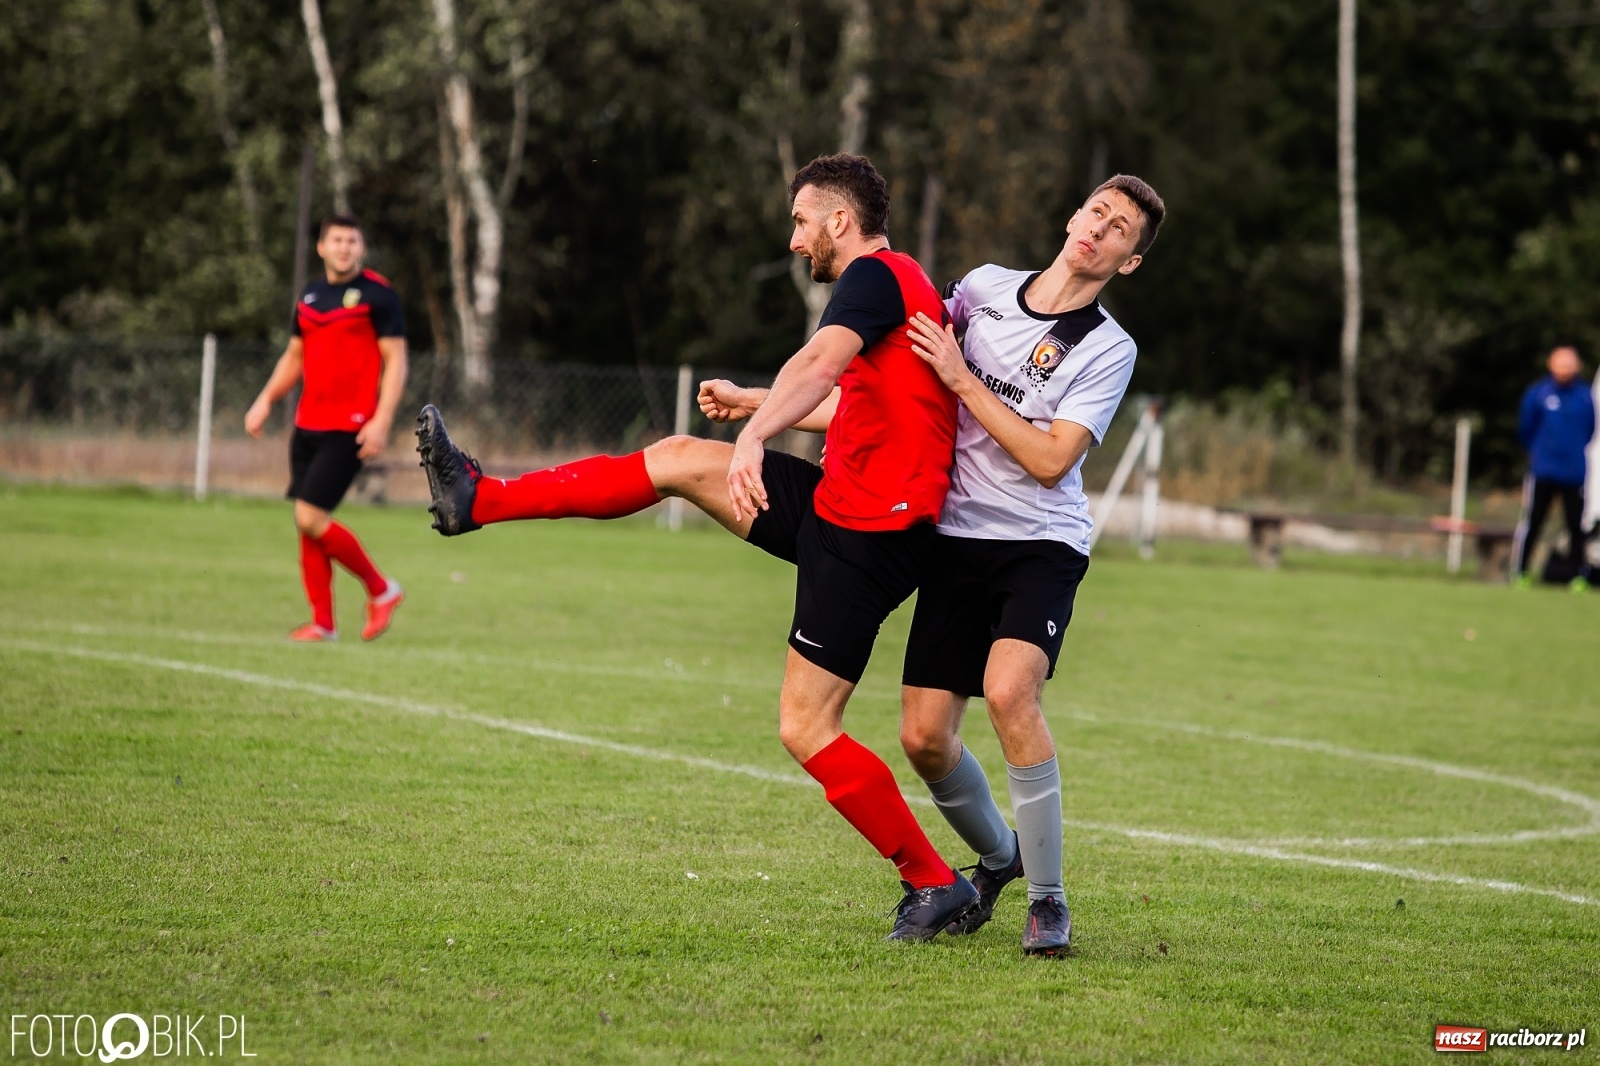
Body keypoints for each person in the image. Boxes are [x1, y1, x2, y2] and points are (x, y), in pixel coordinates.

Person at [417, 154, 979, 940]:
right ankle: (478, 499)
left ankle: (934, 882)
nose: (794, 241)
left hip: (868, 535)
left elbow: (820, 365)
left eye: (799, 222)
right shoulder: (899, 285)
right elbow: (862, 402)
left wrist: (755, 433)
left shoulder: (873, 278)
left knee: (806, 728)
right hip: (844, 507)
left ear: (840, 223)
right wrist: (756, 404)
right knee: (679, 458)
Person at [246, 214, 409, 641]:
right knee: (306, 521)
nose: (343, 247)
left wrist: (382, 419)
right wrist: (265, 399)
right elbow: (294, 355)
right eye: (336, 240)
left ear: (362, 247)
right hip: (307, 424)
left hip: (350, 425)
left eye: (351, 241)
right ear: (321, 247)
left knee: (310, 515)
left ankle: (382, 589)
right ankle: (323, 623)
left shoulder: (379, 295)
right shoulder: (311, 295)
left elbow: (396, 361)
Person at [1513, 345, 1596, 590]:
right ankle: (1521, 571)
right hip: (1544, 470)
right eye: (1561, 363)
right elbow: (1525, 430)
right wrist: (1541, 455)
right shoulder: (1538, 393)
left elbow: (1591, 430)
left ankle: (1577, 576)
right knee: (1535, 520)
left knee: (1575, 525)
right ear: (1551, 364)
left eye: (1569, 364)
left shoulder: (1584, 396)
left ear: (1577, 366)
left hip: (1574, 472)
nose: (1565, 368)